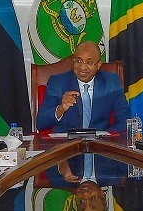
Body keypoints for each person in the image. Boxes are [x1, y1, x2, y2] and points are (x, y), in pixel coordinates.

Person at [36, 41, 130, 186]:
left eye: (89, 62)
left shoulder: (111, 82)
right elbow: (40, 123)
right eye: (78, 61)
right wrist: (61, 108)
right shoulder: (58, 82)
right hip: (65, 152)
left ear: (98, 65)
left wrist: (102, 137)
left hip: (101, 152)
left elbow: (125, 120)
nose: (82, 67)